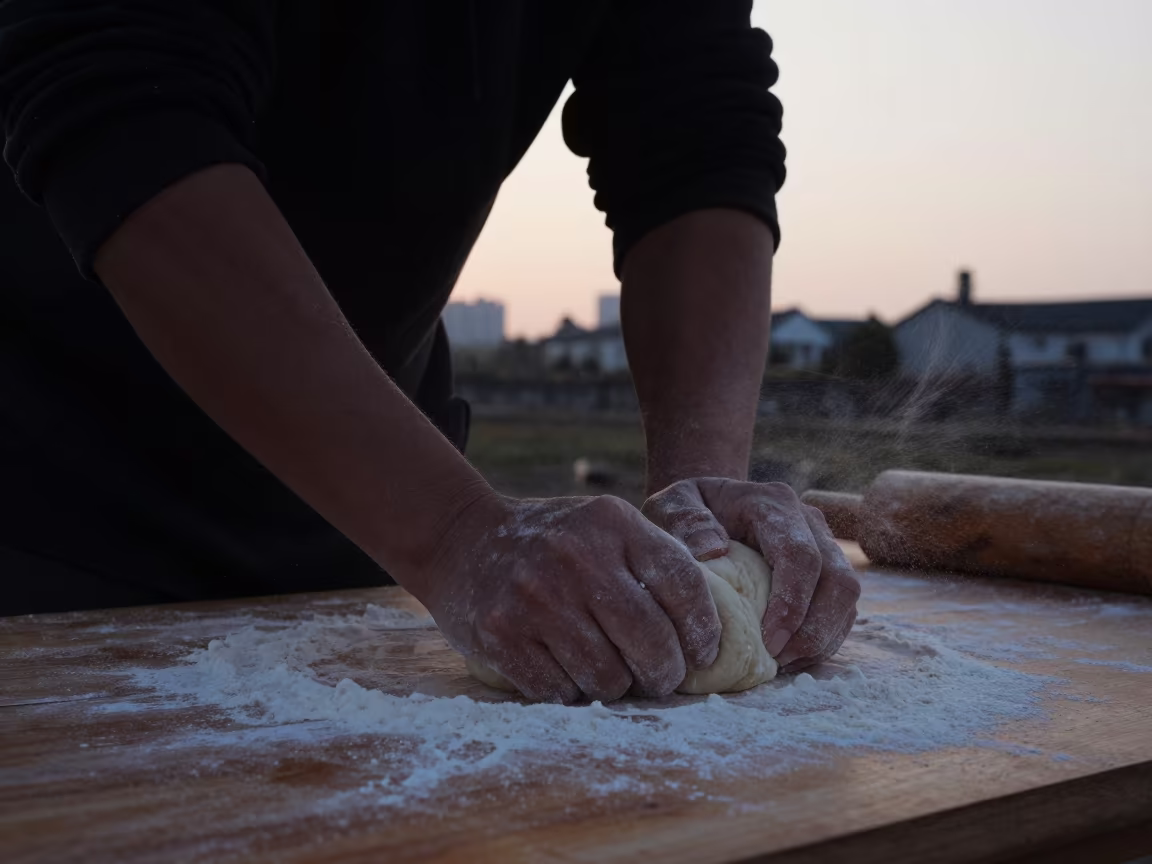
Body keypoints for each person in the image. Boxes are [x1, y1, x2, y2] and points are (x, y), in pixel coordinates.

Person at [0, 1, 859, 702]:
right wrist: (453, 535)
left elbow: (696, 138)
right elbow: (120, 102)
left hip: (357, 525)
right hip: (46, 501)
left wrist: (698, 505)